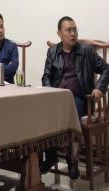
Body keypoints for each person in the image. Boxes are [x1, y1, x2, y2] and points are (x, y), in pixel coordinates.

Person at [41, 16, 109, 177]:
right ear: (59, 33)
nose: (73, 33)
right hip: (57, 98)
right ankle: (51, 156)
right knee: (43, 114)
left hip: (79, 99)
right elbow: (46, 76)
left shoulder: (87, 51)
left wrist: (99, 88)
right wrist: (49, 93)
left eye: (74, 30)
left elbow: (107, 69)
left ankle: (72, 160)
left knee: (71, 111)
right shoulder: (52, 52)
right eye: (68, 30)